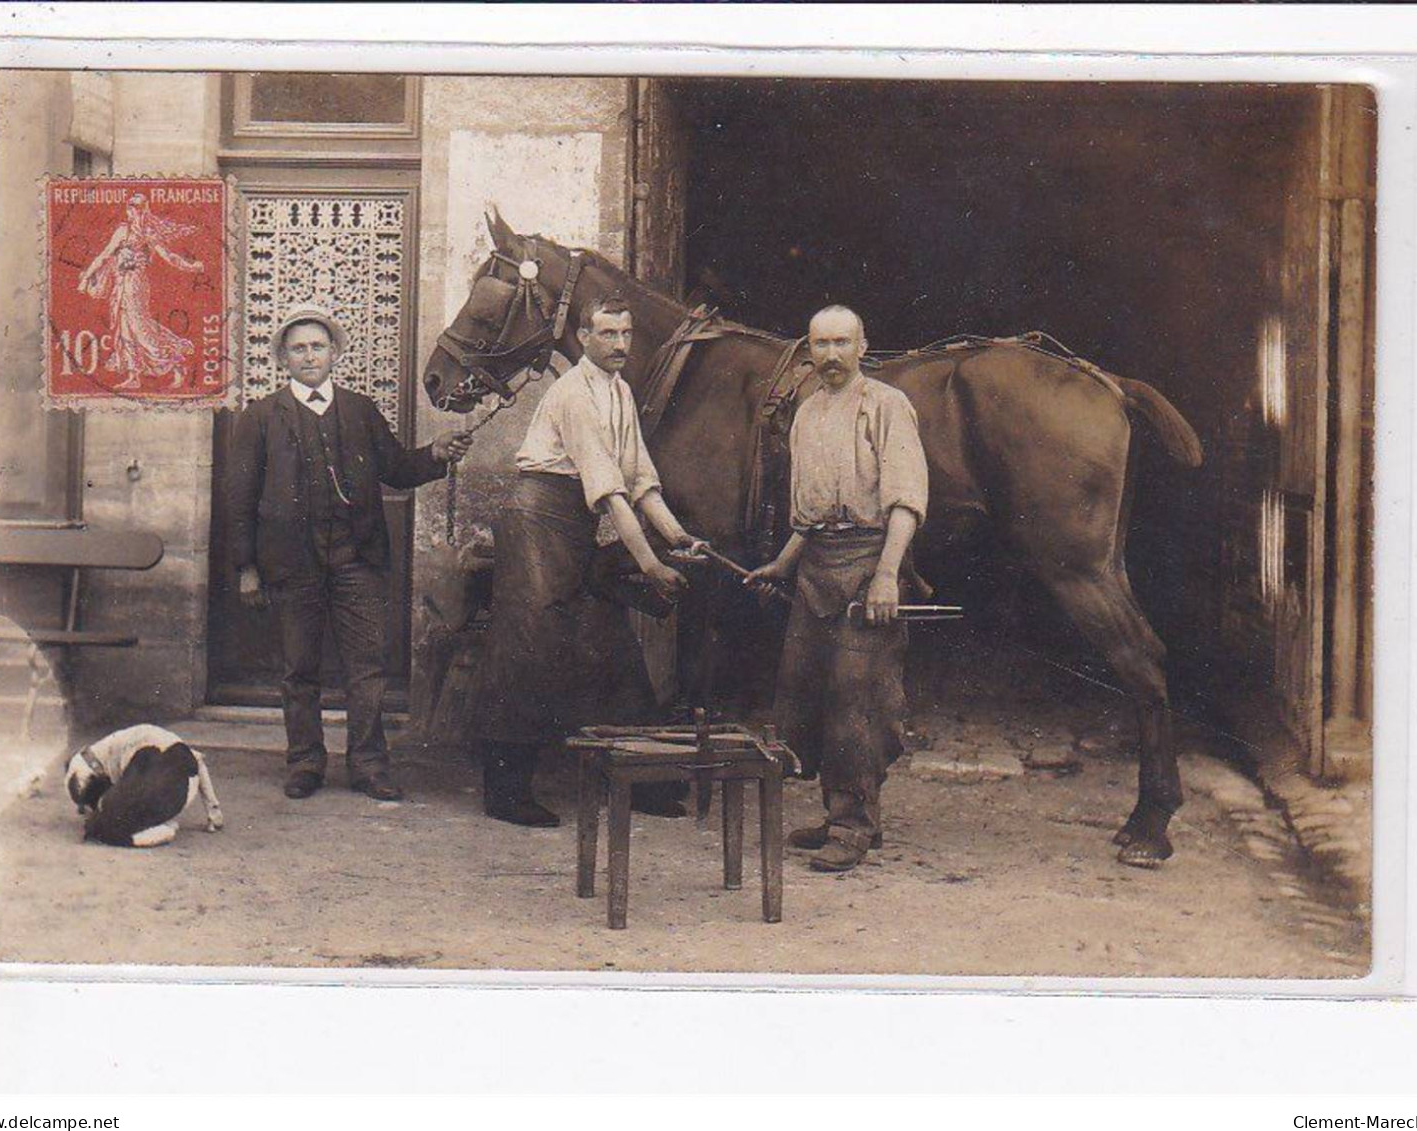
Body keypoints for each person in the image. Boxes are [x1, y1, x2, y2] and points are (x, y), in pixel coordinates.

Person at [468, 293, 706, 827]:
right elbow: (609, 492)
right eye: (608, 335)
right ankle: (504, 791)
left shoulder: (619, 390)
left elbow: (639, 480)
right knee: (532, 643)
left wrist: (678, 537)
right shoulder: (573, 393)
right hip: (536, 518)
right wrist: (650, 565)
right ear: (583, 338)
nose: (620, 345)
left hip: (574, 522)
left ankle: (639, 781)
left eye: (626, 334)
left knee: (611, 640)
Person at [225, 304, 472, 801]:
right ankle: (305, 763)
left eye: (318, 346)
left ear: (335, 353)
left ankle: (368, 765)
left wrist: (436, 454)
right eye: (298, 349)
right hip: (292, 566)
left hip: (356, 562)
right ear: (282, 359)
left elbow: (398, 468)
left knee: (367, 667)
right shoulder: (259, 418)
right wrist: (246, 567)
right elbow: (239, 499)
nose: (309, 356)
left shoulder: (359, 410)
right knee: (299, 668)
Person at [747, 305, 929, 872]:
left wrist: (885, 576)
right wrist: (783, 563)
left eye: (841, 343)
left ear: (862, 345)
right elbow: (809, 517)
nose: (830, 355)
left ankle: (854, 826)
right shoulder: (806, 414)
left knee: (858, 698)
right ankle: (839, 814)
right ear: (808, 349)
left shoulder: (888, 406)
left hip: (870, 558)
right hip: (815, 568)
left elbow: (905, 501)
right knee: (807, 694)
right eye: (820, 344)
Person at [77, 193, 204, 390]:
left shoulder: (147, 233)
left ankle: (177, 362)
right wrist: (87, 276)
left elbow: (169, 256)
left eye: (137, 208)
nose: (133, 212)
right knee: (124, 327)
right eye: (131, 207)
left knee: (140, 327)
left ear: (144, 210)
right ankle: (134, 375)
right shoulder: (122, 231)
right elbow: (104, 255)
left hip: (136, 285)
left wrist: (191, 266)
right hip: (120, 284)